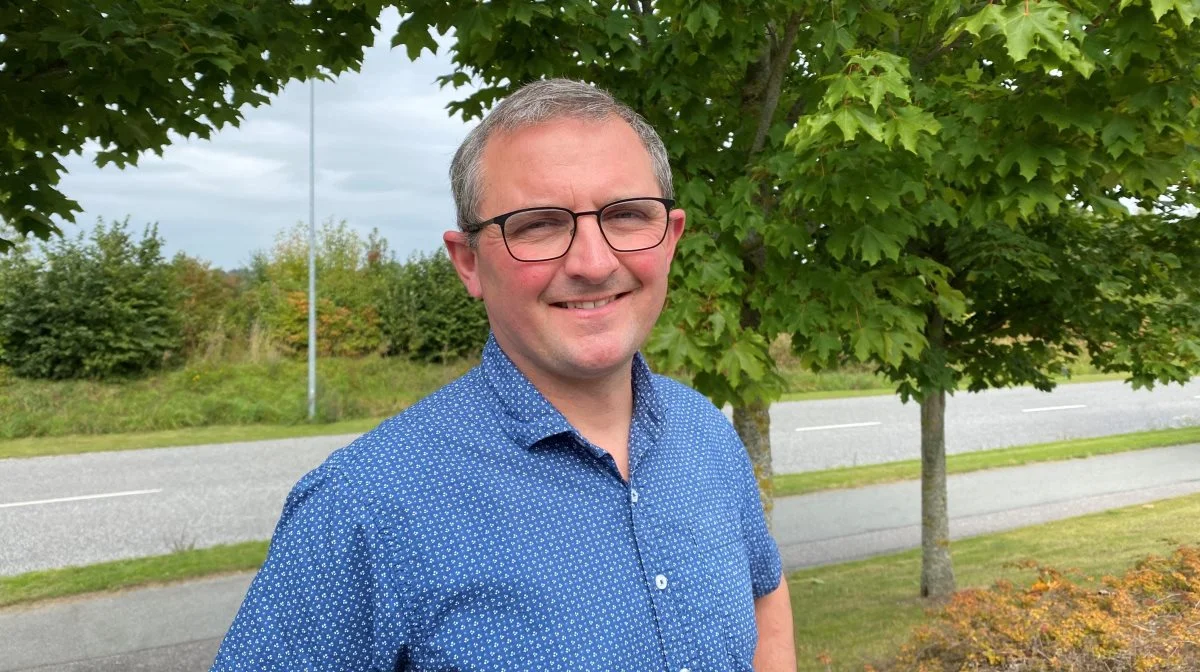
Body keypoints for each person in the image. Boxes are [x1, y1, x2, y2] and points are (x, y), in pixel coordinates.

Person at [211, 78, 794, 672]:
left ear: (669, 239)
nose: (593, 263)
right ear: (468, 263)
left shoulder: (706, 435)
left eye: (625, 216)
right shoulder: (363, 508)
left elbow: (765, 593)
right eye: (537, 225)